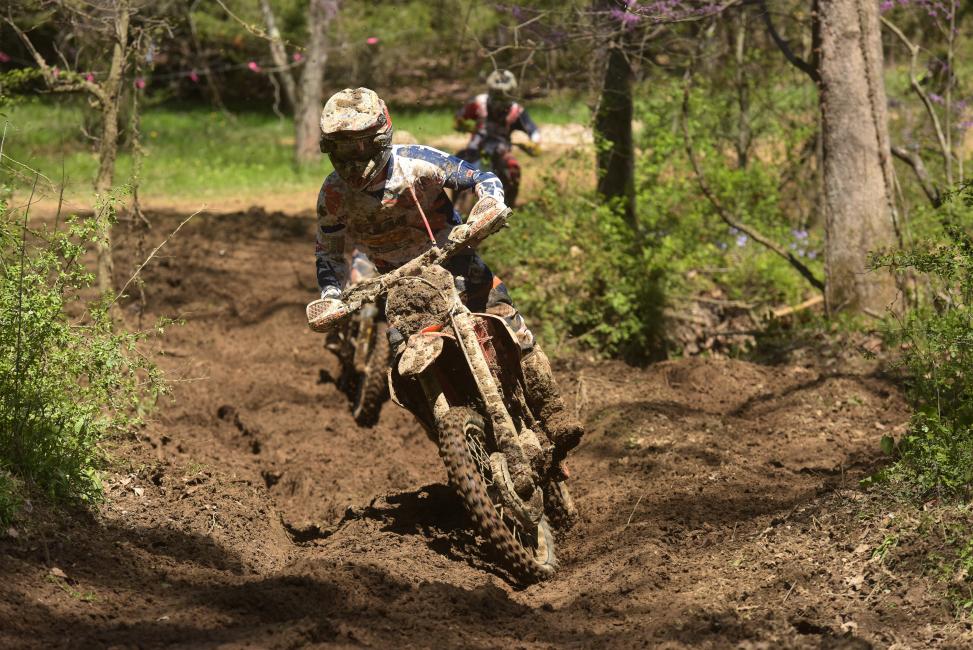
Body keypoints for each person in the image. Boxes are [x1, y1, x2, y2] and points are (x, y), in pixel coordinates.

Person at [313, 87, 581, 456]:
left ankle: (553, 412)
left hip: (452, 260)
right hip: (401, 288)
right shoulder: (333, 195)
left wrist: (489, 203)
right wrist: (330, 297)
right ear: (329, 149)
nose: (352, 158)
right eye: (341, 149)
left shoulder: (415, 163)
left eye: (358, 146)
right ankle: (455, 444)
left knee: (508, 321)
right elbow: (328, 255)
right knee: (402, 374)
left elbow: (479, 176)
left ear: (380, 138)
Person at [454, 69, 540, 207]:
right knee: (458, 167)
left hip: (501, 151)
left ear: (511, 93)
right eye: (496, 94)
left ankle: (508, 207)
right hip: (476, 148)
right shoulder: (479, 103)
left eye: (503, 95)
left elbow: (533, 130)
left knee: (513, 169)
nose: (500, 100)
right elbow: (459, 116)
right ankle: (455, 209)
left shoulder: (516, 111)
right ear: (490, 90)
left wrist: (533, 143)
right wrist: (461, 124)